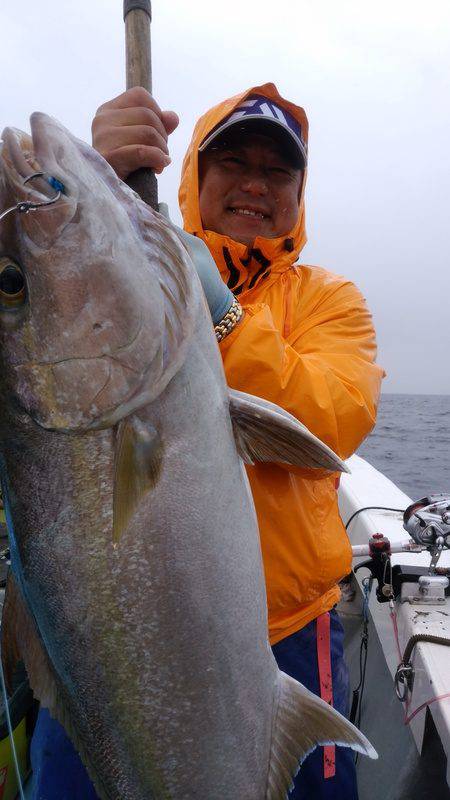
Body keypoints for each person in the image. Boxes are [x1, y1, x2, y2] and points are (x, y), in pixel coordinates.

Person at [29, 83, 384, 799]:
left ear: (297, 193)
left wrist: (221, 319)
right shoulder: (122, 272)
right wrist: (91, 182)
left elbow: (336, 414)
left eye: (276, 171)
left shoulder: (326, 299)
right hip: (111, 636)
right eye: (233, 163)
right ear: (194, 173)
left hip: (286, 634)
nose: (254, 184)